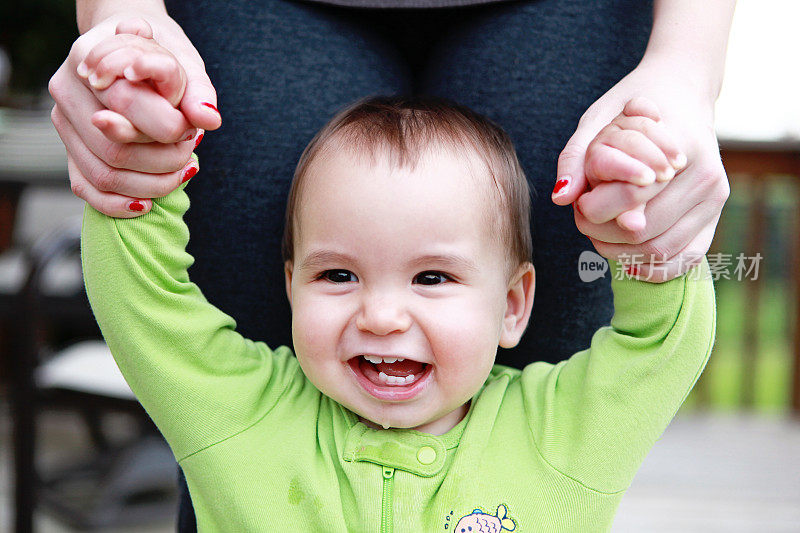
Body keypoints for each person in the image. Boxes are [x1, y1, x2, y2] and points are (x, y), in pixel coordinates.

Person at [51, 1, 733, 529]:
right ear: (290, 284)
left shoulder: (562, 432)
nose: (379, 316)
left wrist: (642, 234)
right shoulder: (237, 413)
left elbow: (661, 344)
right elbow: (145, 302)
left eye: (432, 277)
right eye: (337, 275)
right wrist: (145, 147)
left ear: (513, 304)